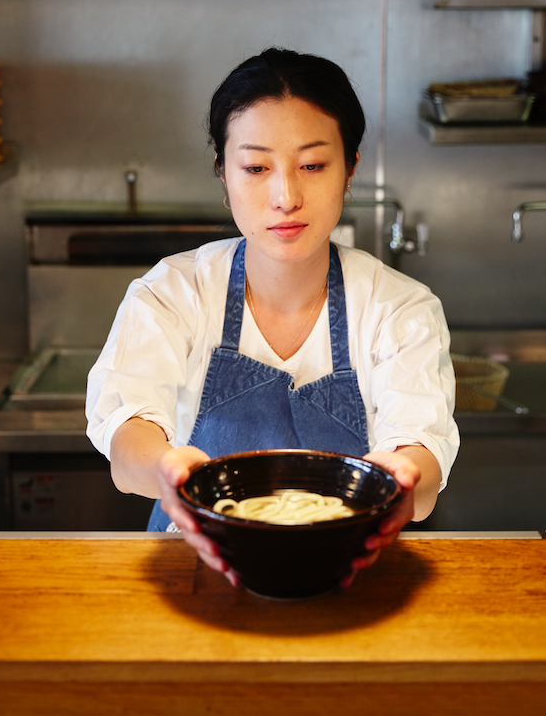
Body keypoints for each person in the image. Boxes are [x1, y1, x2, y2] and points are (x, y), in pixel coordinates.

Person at [85, 47, 459, 588]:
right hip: (196, 569)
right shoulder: (173, 292)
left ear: (350, 168)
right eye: (257, 167)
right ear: (223, 173)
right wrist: (165, 470)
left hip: (348, 571)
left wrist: (405, 479)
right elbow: (128, 436)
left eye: (312, 165)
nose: (285, 196)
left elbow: (420, 453)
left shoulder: (399, 308)